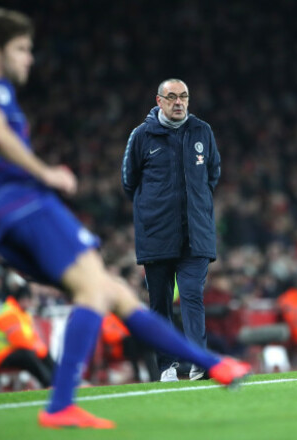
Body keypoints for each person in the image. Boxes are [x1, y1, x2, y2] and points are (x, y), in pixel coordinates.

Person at [0, 8, 250, 430]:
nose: (29, 58)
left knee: (113, 291)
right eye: (21, 49)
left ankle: (212, 365)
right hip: (29, 209)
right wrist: (45, 172)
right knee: (97, 289)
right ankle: (61, 404)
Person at [121, 78, 221, 382]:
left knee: (192, 295)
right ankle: (166, 366)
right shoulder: (141, 136)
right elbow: (129, 181)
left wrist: (196, 208)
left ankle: (197, 364)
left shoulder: (202, 131)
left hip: (195, 235)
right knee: (160, 303)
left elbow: (213, 174)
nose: (179, 102)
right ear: (159, 101)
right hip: (157, 236)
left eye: (184, 97)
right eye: (173, 97)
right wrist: (155, 211)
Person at [0, 275, 54, 387]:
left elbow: (31, 337)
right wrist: (38, 349)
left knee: (43, 353)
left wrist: (41, 349)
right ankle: (48, 384)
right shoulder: (9, 314)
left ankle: (59, 381)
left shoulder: (23, 313)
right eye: (28, 299)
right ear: (22, 299)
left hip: (8, 351)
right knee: (28, 356)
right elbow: (19, 340)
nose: (30, 303)